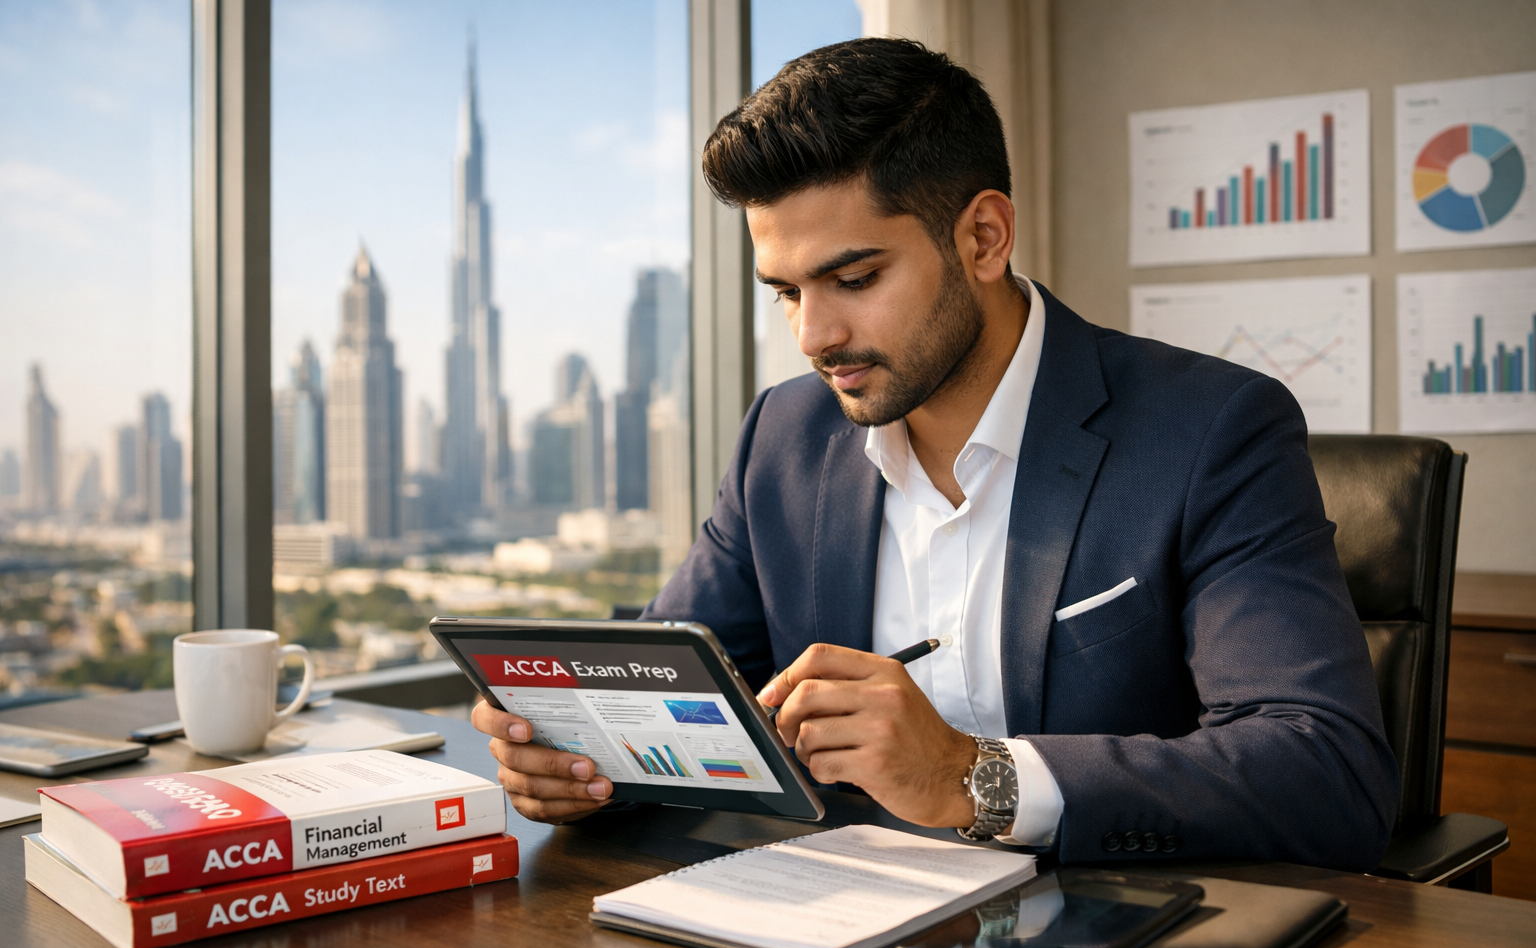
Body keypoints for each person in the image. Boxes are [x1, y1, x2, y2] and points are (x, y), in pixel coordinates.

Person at [472, 38, 1399, 870]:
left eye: (854, 278)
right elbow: (674, 691)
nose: (813, 335)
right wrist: (576, 759)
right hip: (833, 918)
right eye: (786, 292)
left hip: (1111, 931)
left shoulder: (1210, 429)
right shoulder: (782, 439)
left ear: (983, 237)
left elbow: (1326, 769)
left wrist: (969, 775)